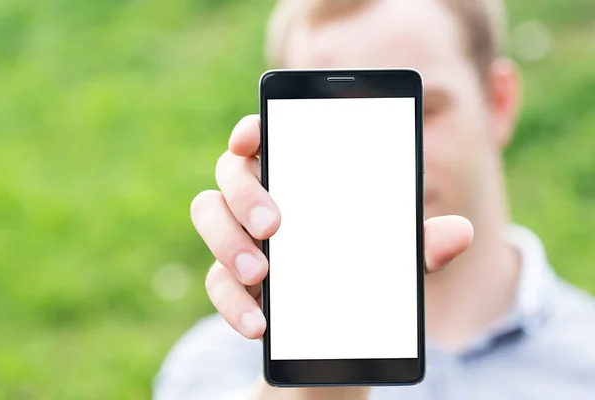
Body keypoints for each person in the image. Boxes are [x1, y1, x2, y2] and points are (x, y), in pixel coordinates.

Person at [154, 0, 595, 398]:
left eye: (424, 110)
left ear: (498, 102)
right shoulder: (213, 367)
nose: (387, 159)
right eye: (335, 122)